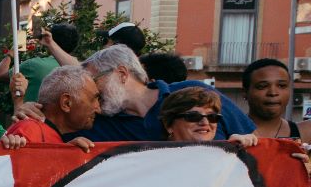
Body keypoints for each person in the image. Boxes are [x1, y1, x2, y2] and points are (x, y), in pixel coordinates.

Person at [76, 44, 253, 141]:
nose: (91, 88)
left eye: (93, 80)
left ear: (122, 74)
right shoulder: (98, 124)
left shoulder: (197, 93)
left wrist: (240, 144)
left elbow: (256, 143)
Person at [2, 66, 98, 151]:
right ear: (66, 103)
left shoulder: (41, 131)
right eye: (93, 99)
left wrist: (65, 155)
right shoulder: (30, 131)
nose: (98, 107)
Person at [158, 86, 258, 147]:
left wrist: (236, 147)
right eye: (193, 116)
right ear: (169, 125)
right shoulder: (152, 159)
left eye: (212, 117)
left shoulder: (226, 155)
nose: (205, 122)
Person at [242, 58, 300, 139]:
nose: (273, 93)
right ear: (245, 92)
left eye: (281, 85)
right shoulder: (227, 133)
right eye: (262, 86)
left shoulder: (306, 133)